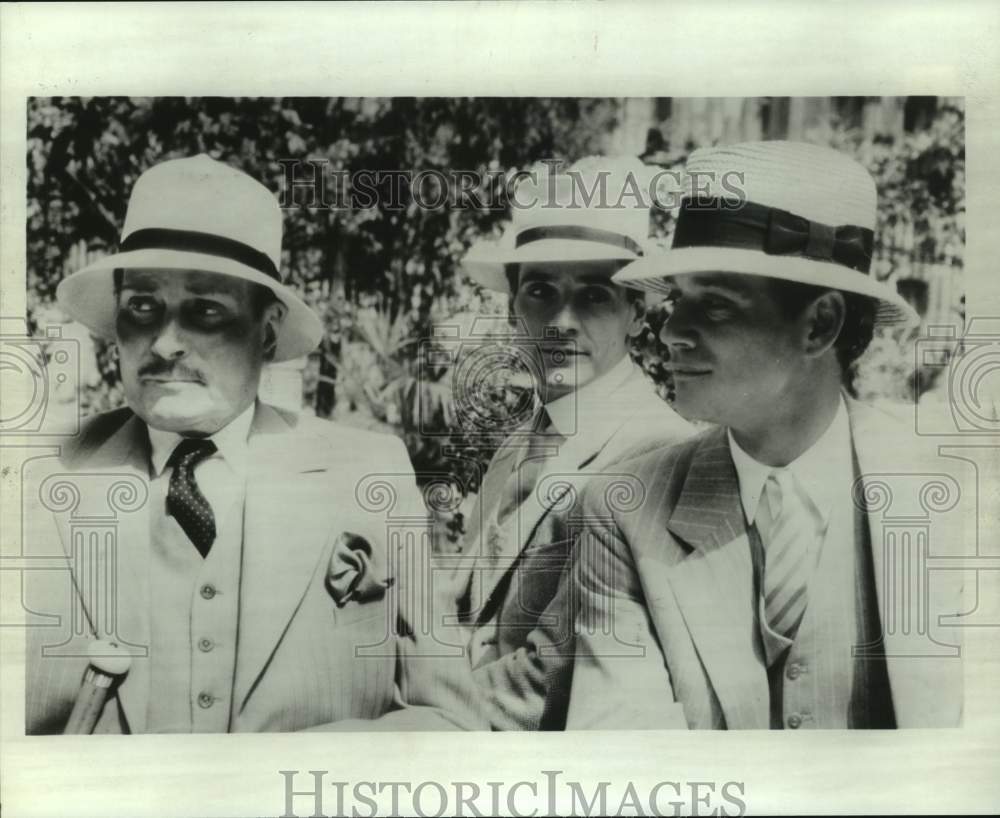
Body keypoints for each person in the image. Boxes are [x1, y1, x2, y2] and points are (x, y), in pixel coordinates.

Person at [23, 155, 484, 733]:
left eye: (206, 310)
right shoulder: (41, 482)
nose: (166, 343)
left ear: (266, 333)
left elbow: (453, 721)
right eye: (143, 305)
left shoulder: (368, 474)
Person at [565, 141, 966, 730]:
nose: (671, 330)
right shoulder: (625, 507)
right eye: (678, 298)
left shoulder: (946, 500)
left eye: (718, 305)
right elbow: (626, 761)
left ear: (821, 324)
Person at [448, 157, 694, 729]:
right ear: (512, 308)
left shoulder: (657, 457)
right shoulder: (521, 442)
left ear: (637, 314)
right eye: (540, 291)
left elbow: (550, 675)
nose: (562, 319)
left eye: (593, 296)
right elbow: (470, 609)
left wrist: (413, 716)